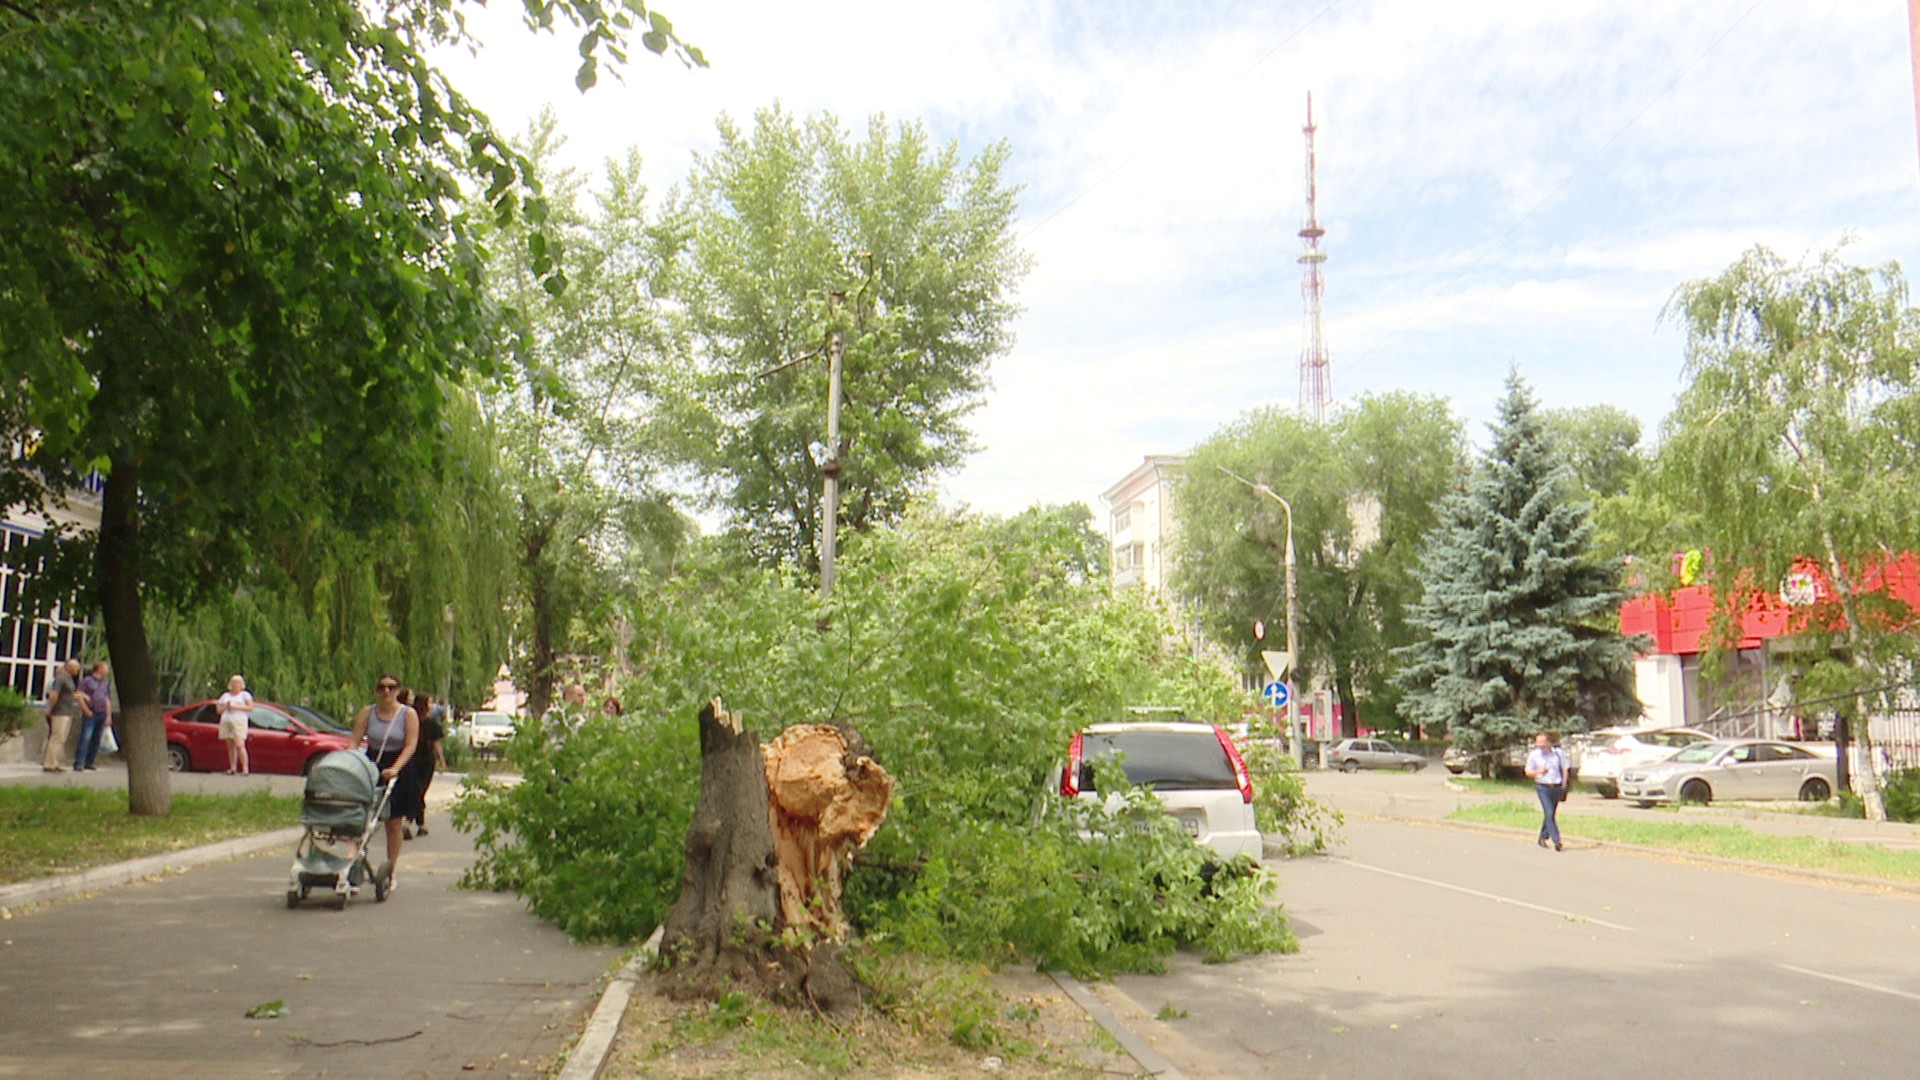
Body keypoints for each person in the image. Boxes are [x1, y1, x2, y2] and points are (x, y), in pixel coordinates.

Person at [351, 674, 420, 890]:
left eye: (391, 687)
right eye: (381, 687)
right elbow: (354, 741)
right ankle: (353, 868)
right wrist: (349, 760)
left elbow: (410, 745)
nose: (386, 692)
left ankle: (391, 869)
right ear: (376, 691)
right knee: (361, 819)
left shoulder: (408, 714)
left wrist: (395, 769)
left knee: (393, 823)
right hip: (373, 765)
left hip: (398, 766)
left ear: (398, 690)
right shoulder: (367, 712)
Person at [406, 692, 447, 839]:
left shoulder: (431, 724)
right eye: (430, 702)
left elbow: (436, 743)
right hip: (413, 760)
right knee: (416, 791)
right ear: (423, 704)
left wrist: (441, 761)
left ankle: (415, 823)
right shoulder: (411, 720)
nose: (432, 706)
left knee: (419, 792)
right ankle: (414, 824)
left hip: (426, 761)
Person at [1524, 731, 1570, 852]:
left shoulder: (1558, 753)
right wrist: (1538, 772)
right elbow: (1528, 772)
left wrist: (1564, 784)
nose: (1540, 746)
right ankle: (1557, 840)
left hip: (1556, 786)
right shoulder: (1534, 755)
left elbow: (1565, 768)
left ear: (1549, 742)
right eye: (1538, 743)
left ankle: (1542, 837)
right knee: (1549, 813)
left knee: (1550, 814)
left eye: (1542, 743)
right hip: (1542, 786)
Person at [43, 659, 84, 773]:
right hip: (60, 712)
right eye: (75, 667)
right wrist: (50, 708)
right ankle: (49, 763)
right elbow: (54, 694)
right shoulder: (60, 679)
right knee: (56, 738)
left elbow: (73, 693)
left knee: (61, 739)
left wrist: (82, 697)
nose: (77, 669)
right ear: (69, 667)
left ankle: (56, 762)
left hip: (67, 712)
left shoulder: (70, 679)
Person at [74, 660, 113, 771]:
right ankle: (79, 762)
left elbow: (107, 699)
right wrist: (85, 709)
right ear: (99, 668)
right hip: (91, 712)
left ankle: (89, 761)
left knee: (96, 739)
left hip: (102, 713)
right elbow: (77, 694)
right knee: (86, 737)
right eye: (106, 668)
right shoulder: (87, 681)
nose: (107, 670)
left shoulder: (105, 684)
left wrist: (108, 715)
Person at [216, 674, 254, 775]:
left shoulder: (245, 695)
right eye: (233, 683)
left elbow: (250, 707)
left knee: (239, 744)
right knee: (230, 745)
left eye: (238, 683)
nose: (235, 685)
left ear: (241, 684)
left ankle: (245, 768)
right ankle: (233, 767)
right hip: (226, 721)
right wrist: (226, 707)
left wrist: (236, 707)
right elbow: (218, 710)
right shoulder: (225, 696)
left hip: (239, 721)